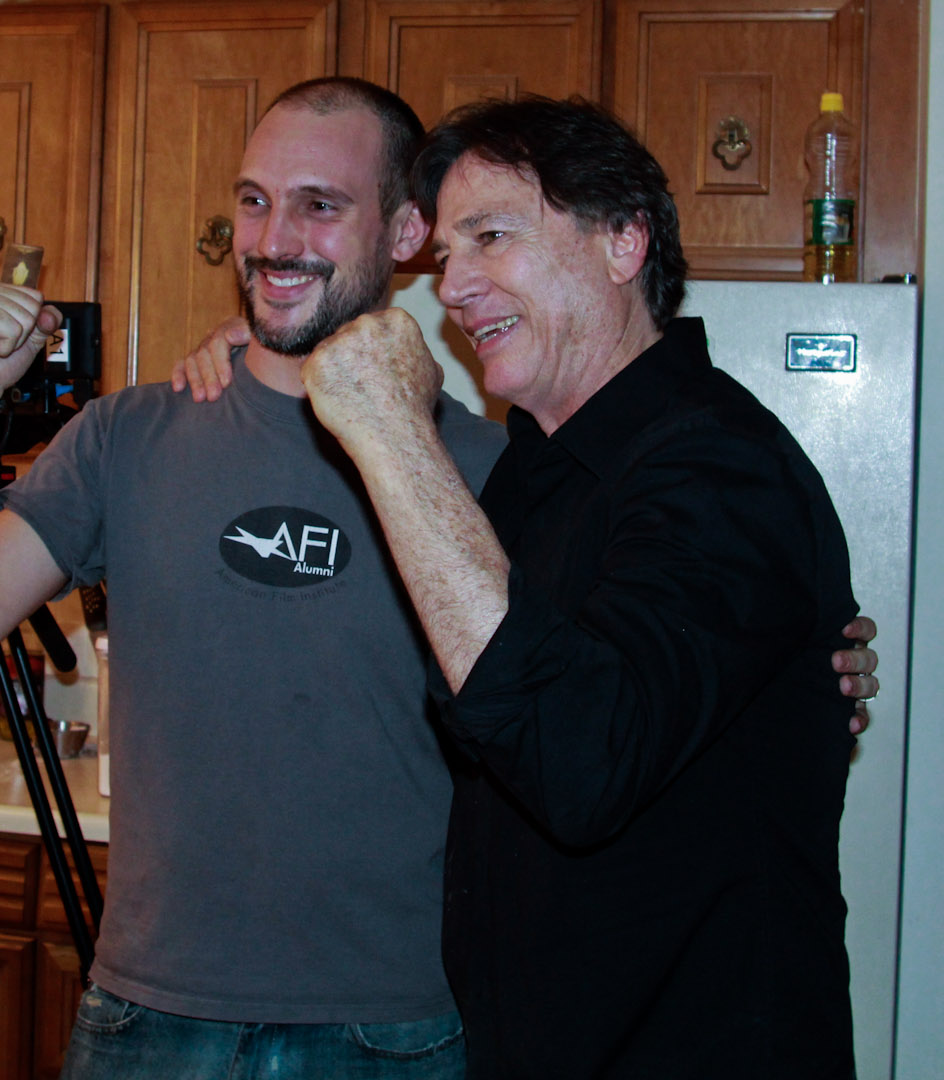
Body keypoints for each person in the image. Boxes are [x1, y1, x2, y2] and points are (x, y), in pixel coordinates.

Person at [0, 79, 877, 1079]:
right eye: (255, 202)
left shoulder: (540, 468)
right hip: (165, 1016)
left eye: (320, 204)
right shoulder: (149, 437)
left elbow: (588, 732)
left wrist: (797, 670)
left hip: (437, 1035)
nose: (275, 239)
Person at [295, 95, 862, 1077]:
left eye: (492, 236)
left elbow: (575, 757)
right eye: (446, 256)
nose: (452, 286)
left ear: (623, 242)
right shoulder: (532, 478)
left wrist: (391, 428)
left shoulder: (721, 466)